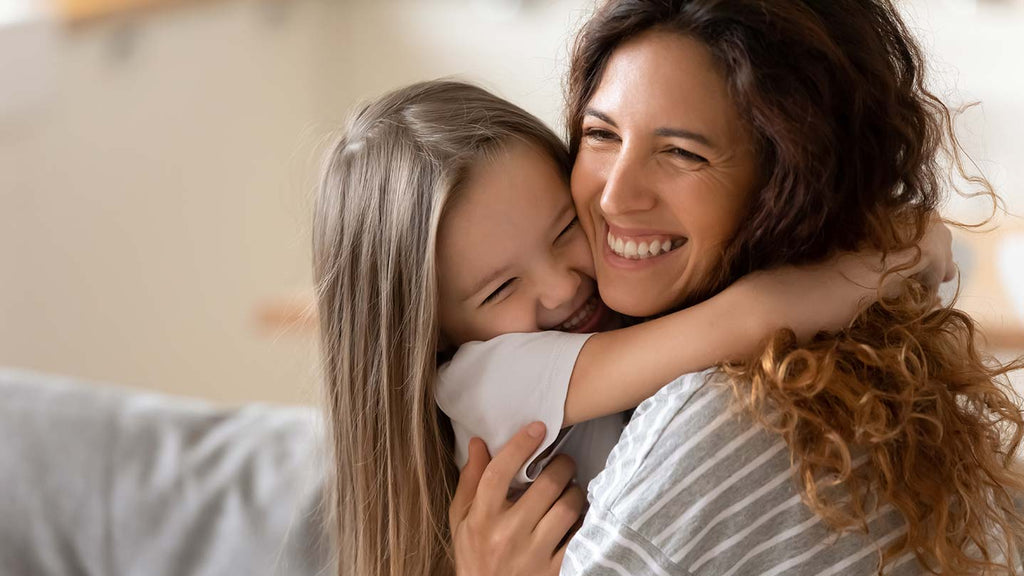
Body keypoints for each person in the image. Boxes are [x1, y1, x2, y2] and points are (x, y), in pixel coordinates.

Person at [452, 1, 1024, 575]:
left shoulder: (714, 422)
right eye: (601, 133)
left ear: (789, 184)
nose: (614, 197)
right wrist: (904, 247)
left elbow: (751, 315)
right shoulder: (857, 366)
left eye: (681, 151)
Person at [312, 80, 952, 576]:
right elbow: (749, 317)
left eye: (565, 229)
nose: (562, 286)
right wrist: (910, 249)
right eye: (501, 288)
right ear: (432, 334)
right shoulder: (486, 380)